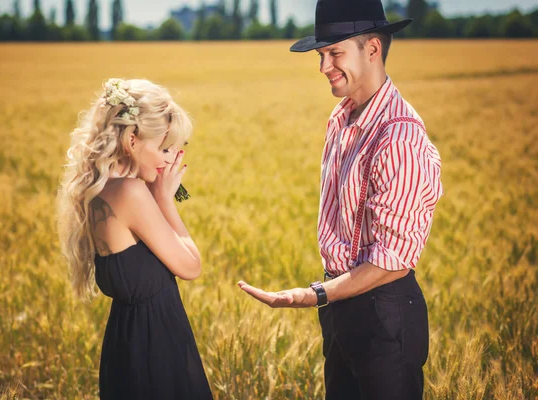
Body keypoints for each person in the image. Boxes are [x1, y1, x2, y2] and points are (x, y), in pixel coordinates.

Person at [238, 1, 444, 399]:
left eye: (335, 53)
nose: (323, 67)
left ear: (372, 49)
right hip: (339, 308)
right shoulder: (340, 118)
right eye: (321, 55)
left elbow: (391, 262)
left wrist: (312, 295)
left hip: (384, 316)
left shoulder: (399, 139)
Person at [57, 78, 213, 399]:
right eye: (164, 148)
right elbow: (191, 266)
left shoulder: (99, 191)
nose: (170, 160)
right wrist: (165, 199)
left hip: (124, 343)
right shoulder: (131, 192)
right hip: (155, 346)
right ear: (132, 139)